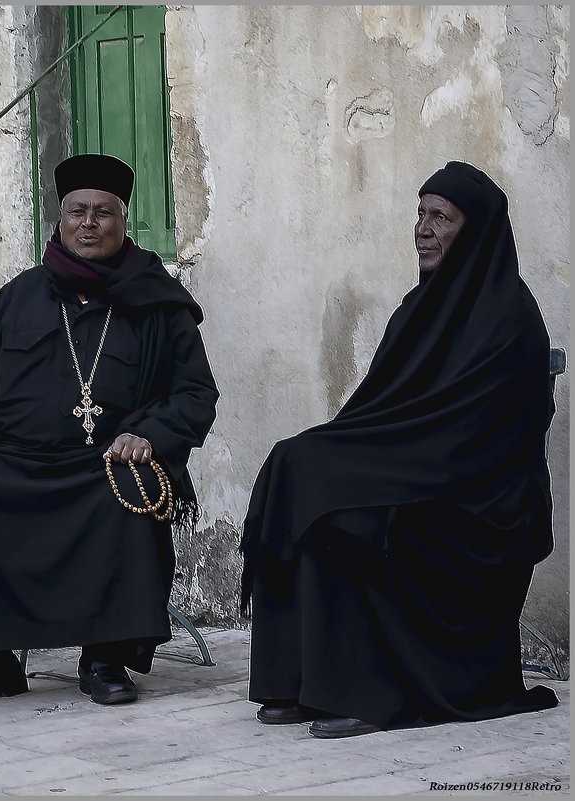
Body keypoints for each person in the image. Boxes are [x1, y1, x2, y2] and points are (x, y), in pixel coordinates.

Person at [239, 161, 560, 739]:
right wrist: (349, 457)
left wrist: (380, 470)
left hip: (485, 502)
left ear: (478, 230)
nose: (423, 229)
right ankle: (298, 683)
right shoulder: (419, 310)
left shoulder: (510, 321)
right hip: (423, 470)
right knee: (298, 468)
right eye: (420, 214)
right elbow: (377, 413)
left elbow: (477, 438)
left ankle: (373, 695)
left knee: (356, 513)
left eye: (441, 218)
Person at [0, 153, 219, 708]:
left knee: (127, 490)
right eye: (77, 211)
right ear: (59, 221)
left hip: (107, 462)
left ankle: (105, 658)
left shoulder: (159, 302)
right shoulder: (21, 295)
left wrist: (150, 433)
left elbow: (196, 393)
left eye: (102, 212)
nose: (89, 223)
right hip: (19, 461)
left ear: (122, 220)